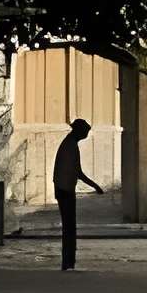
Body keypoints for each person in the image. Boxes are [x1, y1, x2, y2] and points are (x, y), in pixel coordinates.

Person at [52, 116, 102, 272]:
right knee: (69, 229)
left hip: (64, 190)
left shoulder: (70, 144)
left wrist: (95, 186)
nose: (87, 135)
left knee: (69, 228)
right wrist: (95, 186)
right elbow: (77, 172)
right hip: (65, 191)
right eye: (86, 132)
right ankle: (68, 263)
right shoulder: (70, 146)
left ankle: (68, 262)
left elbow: (76, 172)